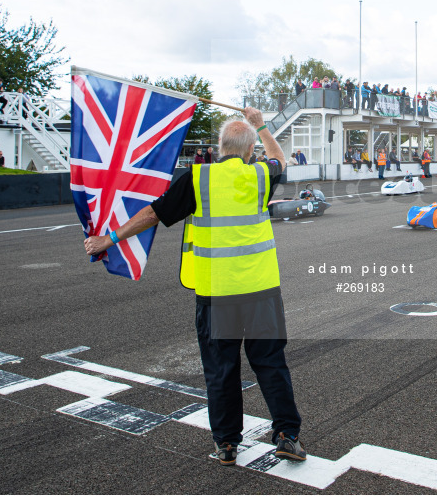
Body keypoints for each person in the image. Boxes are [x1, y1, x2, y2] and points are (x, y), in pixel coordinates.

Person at [83, 108, 306, 467]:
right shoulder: (261, 176)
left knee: (221, 369)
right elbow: (279, 157)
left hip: (217, 295)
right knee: (270, 364)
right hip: (261, 291)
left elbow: (154, 213)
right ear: (250, 151)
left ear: (219, 148)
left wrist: (109, 239)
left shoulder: (198, 178)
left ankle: (227, 444)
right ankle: (286, 436)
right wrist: (261, 123)